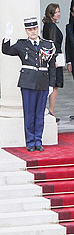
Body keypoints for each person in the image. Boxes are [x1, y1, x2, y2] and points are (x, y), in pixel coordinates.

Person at [2, 17, 56, 152]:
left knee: (40, 114)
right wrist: (7, 37)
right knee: (29, 114)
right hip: (28, 83)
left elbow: (52, 67)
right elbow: (6, 51)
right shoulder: (21, 44)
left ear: (38, 29)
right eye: (30, 29)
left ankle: (38, 140)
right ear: (26, 31)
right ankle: (30, 142)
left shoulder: (48, 45)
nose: (33, 32)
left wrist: (51, 85)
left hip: (43, 82)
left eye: (35, 29)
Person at [42, 3, 63, 123]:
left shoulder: (47, 25)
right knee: (54, 85)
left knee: (53, 84)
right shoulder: (52, 27)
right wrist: (54, 59)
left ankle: (51, 111)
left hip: (52, 58)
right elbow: (52, 44)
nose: (58, 14)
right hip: (54, 59)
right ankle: (52, 111)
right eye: (56, 12)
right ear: (51, 13)